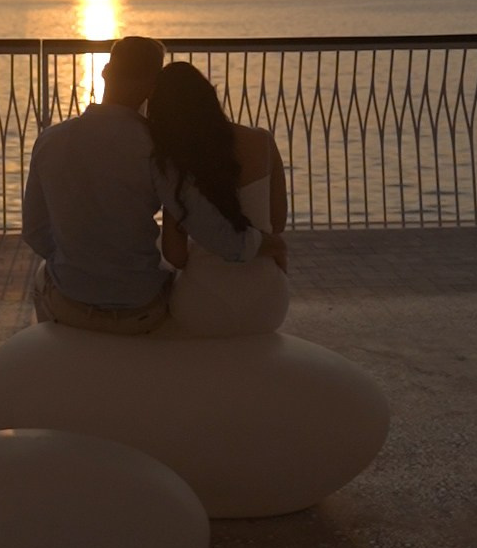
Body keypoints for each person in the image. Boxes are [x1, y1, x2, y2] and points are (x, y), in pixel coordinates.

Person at [22, 35, 249, 334]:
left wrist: (79, 263)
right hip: (139, 311)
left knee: (44, 276)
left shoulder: (50, 140)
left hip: (71, 305)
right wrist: (258, 243)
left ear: (105, 71)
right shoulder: (158, 149)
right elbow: (207, 227)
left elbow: (35, 232)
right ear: (153, 87)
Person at [147, 62, 288, 335]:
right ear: (210, 96)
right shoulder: (262, 141)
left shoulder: (174, 163)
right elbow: (277, 222)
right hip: (268, 303)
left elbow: (175, 256)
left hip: (203, 303)